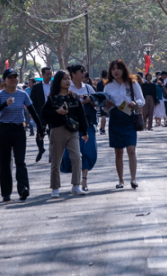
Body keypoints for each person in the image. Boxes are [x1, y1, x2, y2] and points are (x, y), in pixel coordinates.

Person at [0, 68, 42, 202]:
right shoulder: (0, 95)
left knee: (20, 161)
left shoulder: (23, 94)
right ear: (5, 80)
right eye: (10, 77)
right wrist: (4, 104)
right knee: (5, 162)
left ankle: (23, 188)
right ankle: (6, 192)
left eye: (15, 77)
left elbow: (33, 111)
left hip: (19, 130)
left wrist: (41, 129)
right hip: (4, 130)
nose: (13, 79)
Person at [43, 70, 88, 197]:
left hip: (72, 131)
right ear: (58, 81)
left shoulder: (74, 96)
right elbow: (44, 114)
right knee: (56, 161)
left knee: (77, 158)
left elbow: (81, 115)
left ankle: (76, 185)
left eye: (69, 78)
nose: (68, 81)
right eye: (64, 79)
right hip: (57, 131)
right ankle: (55, 188)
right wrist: (57, 112)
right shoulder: (52, 98)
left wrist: (84, 131)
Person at [103, 59, 143, 189]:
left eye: (118, 68)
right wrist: (106, 105)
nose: (115, 71)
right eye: (113, 69)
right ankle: (121, 180)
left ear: (123, 69)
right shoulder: (108, 86)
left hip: (129, 118)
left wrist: (135, 103)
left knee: (131, 150)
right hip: (115, 119)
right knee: (118, 152)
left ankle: (133, 179)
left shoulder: (132, 83)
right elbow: (104, 107)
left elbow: (141, 99)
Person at [61, 65, 98, 191]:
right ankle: (75, 180)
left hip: (87, 124)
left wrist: (90, 101)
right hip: (70, 125)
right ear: (73, 74)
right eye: (81, 72)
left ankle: (83, 182)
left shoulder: (88, 88)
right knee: (70, 155)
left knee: (88, 151)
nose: (83, 74)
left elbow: (97, 103)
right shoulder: (66, 88)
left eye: (84, 72)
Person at [29, 67, 53, 161]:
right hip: (41, 113)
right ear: (42, 75)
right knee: (39, 133)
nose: (49, 76)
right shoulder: (36, 87)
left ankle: (52, 154)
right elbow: (32, 101)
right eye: (47, 74)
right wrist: (32, 113)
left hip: (52, 114)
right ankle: (41, 149)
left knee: (53, 134)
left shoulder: (54, 86)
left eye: (50, 74)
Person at [95, 70, 108, 135]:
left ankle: (102, 129)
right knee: (104, 115)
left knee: (103, 115)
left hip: (101, 100)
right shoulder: (108, 82)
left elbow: (97, 92)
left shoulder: (99, 83)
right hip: (107, 100)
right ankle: (102, 128)